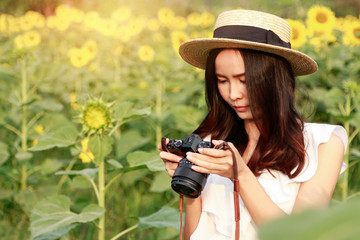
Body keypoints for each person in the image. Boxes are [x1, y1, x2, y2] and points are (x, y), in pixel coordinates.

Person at [158, 9, 348, 240]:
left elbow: (301, 235)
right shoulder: (211, 145)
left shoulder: (323, 144)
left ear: (275, 79)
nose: (233, 94)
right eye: (222, 81)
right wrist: (190, 184)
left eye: (244, 80)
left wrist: (241, 176)